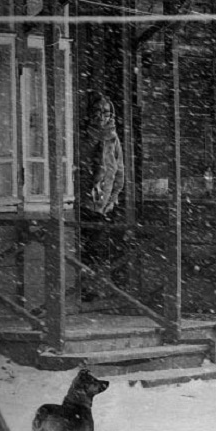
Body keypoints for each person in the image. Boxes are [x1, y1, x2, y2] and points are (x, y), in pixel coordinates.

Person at [79, 92, 125, 300]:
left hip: (105, 203)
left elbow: (119, 170)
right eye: (97, 111)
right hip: (83, 202)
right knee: (87, 248)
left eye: (106, 112)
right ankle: (85, 289)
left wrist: (114, 197)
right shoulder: (82, 137)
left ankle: (99, 287)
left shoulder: (113, 138)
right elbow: (80, 167)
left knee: (101, 248)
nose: (101, 116)